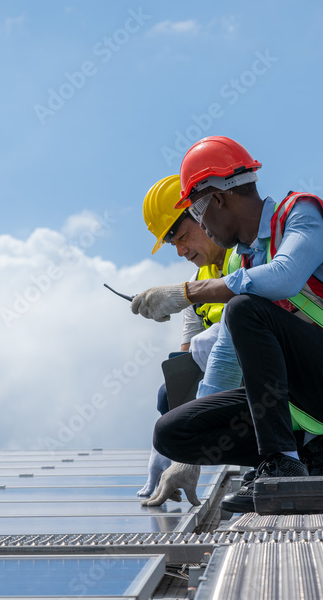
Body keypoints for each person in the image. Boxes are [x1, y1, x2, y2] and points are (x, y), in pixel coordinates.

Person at [131, 136, 323, 512]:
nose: (201, 227)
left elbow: (284, 277)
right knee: (173, 431)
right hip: (298, 404)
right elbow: (224, 362)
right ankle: (317, 456)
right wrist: (186, 461)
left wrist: (190, 293)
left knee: (246, 307)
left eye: (196, 214)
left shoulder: (302, 214)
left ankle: (281, 465)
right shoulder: (245, 266)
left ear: (217, 199)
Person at [136, 175, 243, 506]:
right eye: (173, 245)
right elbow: (185, 372)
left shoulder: (245, 257)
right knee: (168, 396)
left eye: (182, 236)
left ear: (203, 214)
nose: (181, 251)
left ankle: (277, 462)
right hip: (234, 393)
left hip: (274, 388)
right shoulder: (197, 285)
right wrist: (168, 445)